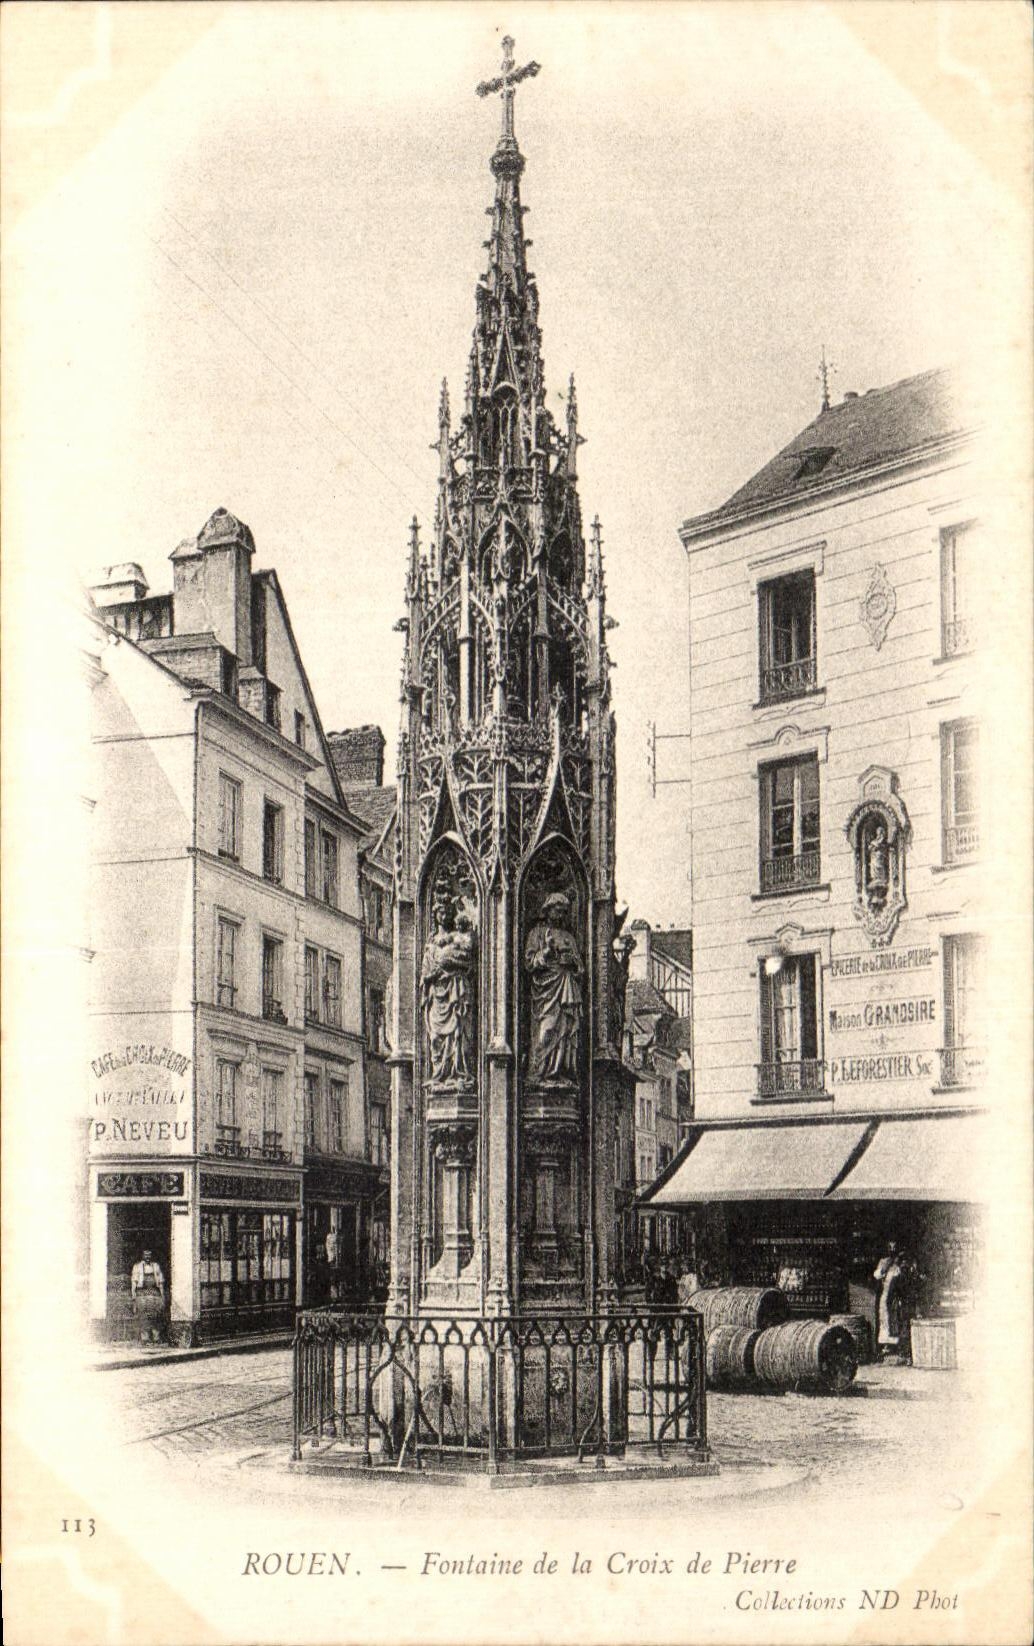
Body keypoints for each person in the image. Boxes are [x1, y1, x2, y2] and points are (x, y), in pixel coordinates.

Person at [525, 892, 583, 1081]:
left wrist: (573, 964)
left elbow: (581, 969)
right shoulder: (537, 934)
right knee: (547, 1031)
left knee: (565, 1032)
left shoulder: (568, 937)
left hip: (566, 986)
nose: (561, 916)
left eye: (564, 912)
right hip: (546, 990)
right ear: (548, 911)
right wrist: (548, 952)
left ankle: (557, 1073)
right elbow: (529, 963)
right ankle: (538, 1074)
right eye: (558, 911)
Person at [420, 889, 476, 1083]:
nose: (444, 916)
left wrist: (448, 963)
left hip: (455, 990)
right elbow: (425, 972)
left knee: (457, 1035)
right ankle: (439, 1075)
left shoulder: (458, 937)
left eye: (447, 912)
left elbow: (468, 962)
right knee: (435, 1037)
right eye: (440, 912)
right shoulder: (431, 942)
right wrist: (433, 973)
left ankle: (456, 1072)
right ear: (434, 914)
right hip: (437, 995)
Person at [873, 1241, 909, 1362]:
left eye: (895, 1248)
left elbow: (903, 1280)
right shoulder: (884, 1262)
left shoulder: (901, 1265)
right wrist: (884, 1268)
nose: (892, 1250)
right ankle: (886, 1347)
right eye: (890, 1247)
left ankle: (897, 1348)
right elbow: (877, 1275)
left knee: (896, 1319)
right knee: (885, 1319)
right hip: (885, 1295)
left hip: (895, 1297)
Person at [130, 1248, 166, 1344]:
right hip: (142, 1294)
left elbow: (161, 1281)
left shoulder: (156, 1266)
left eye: (149, 1255)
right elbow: (134, 1281)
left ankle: (156, 1337)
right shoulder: (137, 1267)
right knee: (144, 1316)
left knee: (156, 1316)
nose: (147, 1257)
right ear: (142, 1256)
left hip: (154, 1293)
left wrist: (162, 1295)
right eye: (145, 1255)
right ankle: (145, 1338)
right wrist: (133, 1295)